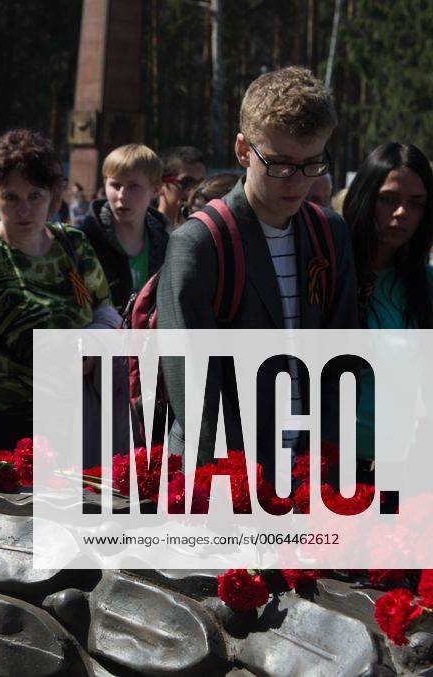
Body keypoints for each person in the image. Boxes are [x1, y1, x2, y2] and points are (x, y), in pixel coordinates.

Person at [156, 66, 358, 466]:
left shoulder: (329, 231)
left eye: (313, 163)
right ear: (243, 150)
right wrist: (242, 484)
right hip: (225, 473)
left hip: (309, 467)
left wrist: (327, 460)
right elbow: (194, 389)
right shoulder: (198, 243)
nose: (297, 182)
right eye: (280, 165)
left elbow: (341, 360)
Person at [0, 130, 119, 452]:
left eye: (34, 196)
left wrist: (89, 344)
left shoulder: (74, 245)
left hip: (69, 423)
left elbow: (105, 310)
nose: (24, 210)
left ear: (53, 197)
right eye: (11, 197)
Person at [344, 143, 433, 465]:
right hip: (324, 462)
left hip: (400, 463)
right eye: (389, 199)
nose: (401, 213)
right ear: (365, 197)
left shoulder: (426, 285)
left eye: (416, 204)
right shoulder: (326, 274)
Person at [76, 143, 169, 314]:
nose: (122, 195)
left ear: (155, 190)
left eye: (133, 186)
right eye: (116, 185)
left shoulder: (167, 244)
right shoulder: (81, 243)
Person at [157, 146, 207, 229]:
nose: (195, 191)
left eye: (201, 184)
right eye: (187, 182)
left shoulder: (204, 232)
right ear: (160, 185)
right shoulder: (143, 233)